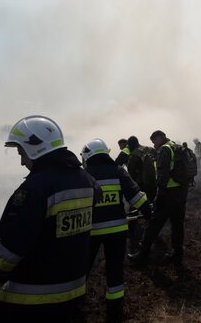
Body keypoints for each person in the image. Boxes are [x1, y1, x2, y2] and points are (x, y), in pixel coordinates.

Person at [0, 115, 101, 323]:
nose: (21, 161)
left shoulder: (35, 188)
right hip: (74, 290)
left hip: (32, 295)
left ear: (34, 148)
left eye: (21, 152)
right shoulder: (86, 180)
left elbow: (13, 246)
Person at [81, 138, 152, 323]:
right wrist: (148, 212)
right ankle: (115, 309)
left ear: (88, 155)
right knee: (115, 270)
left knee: (82, 269)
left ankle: (77, 303)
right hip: (117, 232)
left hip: (90, 233)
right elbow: (135, 196)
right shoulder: (118, 170)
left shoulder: (83, 174)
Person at [128, 130, 189, 265]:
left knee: (154, 224)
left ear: (160, 137)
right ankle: (177, 253)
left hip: (167, 193)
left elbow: (162, 175)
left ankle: (143, 253)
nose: (154, 144)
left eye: (154, 141)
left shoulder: (165, 150)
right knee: (178, 225)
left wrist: (158, 195)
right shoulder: (176, 146)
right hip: (181, 192)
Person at [126, 135, 157, 252]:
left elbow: (130, 173)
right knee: (151, 207)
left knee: (134, 207)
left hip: (141, 186)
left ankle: (132, 231)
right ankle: (151, 229)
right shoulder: (149, 149)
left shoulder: (133, 155)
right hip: (153, 184)